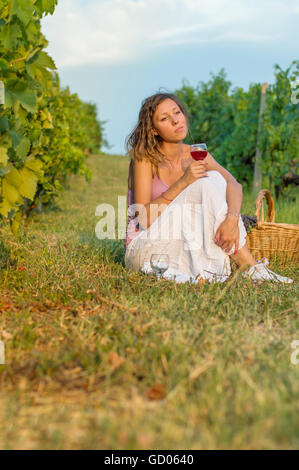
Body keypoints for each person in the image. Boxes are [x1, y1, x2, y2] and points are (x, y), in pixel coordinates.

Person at [123, 92, 293, 284]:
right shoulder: (144, 159)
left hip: (181, 243)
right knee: (204, 182)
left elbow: (233, 184)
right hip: (144, 248)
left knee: (214, 178)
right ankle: (250, 267)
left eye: (177, 113)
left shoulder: (196, 153)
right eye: (164, 118)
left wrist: (231, 220)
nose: (175, 121)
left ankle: (245, 268)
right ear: (153, 130)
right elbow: (144, 220)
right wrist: (184, 182)